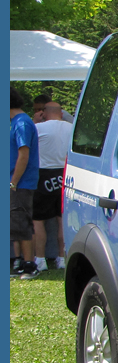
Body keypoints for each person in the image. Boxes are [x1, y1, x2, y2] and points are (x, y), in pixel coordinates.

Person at [32, 100, 72, 271]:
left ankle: (40, 259)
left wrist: (35, 122)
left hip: (44, 173)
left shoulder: (39, 128)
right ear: (61, 113)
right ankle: (62, 257)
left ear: (44, 113)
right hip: (64, 173)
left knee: (38, 220)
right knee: (61, 219)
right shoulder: (71, 128)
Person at [10, 86, 40, 279]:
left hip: (21, 182)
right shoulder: (14, 122)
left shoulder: (22, 123)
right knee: (14, 222)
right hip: (15, 181)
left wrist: (13, 182)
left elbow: (23, 155)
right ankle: (19, 261)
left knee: (22, 222)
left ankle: (30, 265)